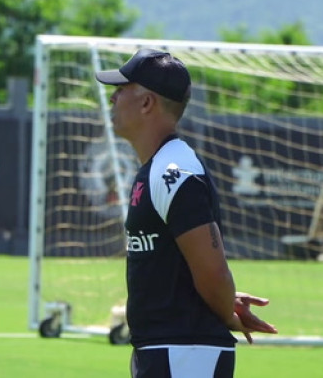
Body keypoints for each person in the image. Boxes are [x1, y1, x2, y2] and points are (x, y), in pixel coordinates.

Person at [96, 49, 278, 378]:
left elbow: (214, 273)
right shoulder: (159, 168)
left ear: (147, 102)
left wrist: (225, 311)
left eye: (122, 88)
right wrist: (223, 303)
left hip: (185, 355)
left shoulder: (176, 172)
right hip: (169, 351)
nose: (113, 96)